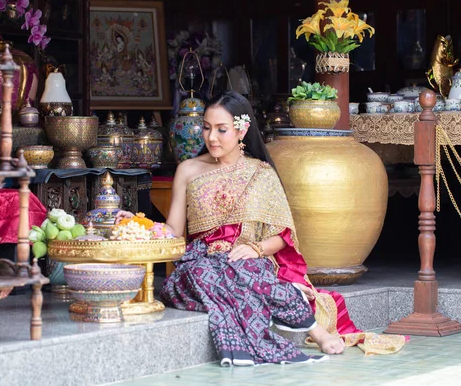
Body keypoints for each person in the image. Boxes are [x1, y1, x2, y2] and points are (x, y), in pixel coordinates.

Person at [116, 91, 404, 365]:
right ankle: (305, 327)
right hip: (202, 262)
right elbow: (174, 231)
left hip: (250, 262)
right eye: (206, 128)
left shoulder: (261, 173)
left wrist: (255, 249)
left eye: (221, 129)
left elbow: (283, 236)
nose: (211, 137)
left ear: (241, 131)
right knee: (205, 272)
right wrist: (138, 223)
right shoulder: (188, 170)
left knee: (244, 271)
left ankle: (314, 330)